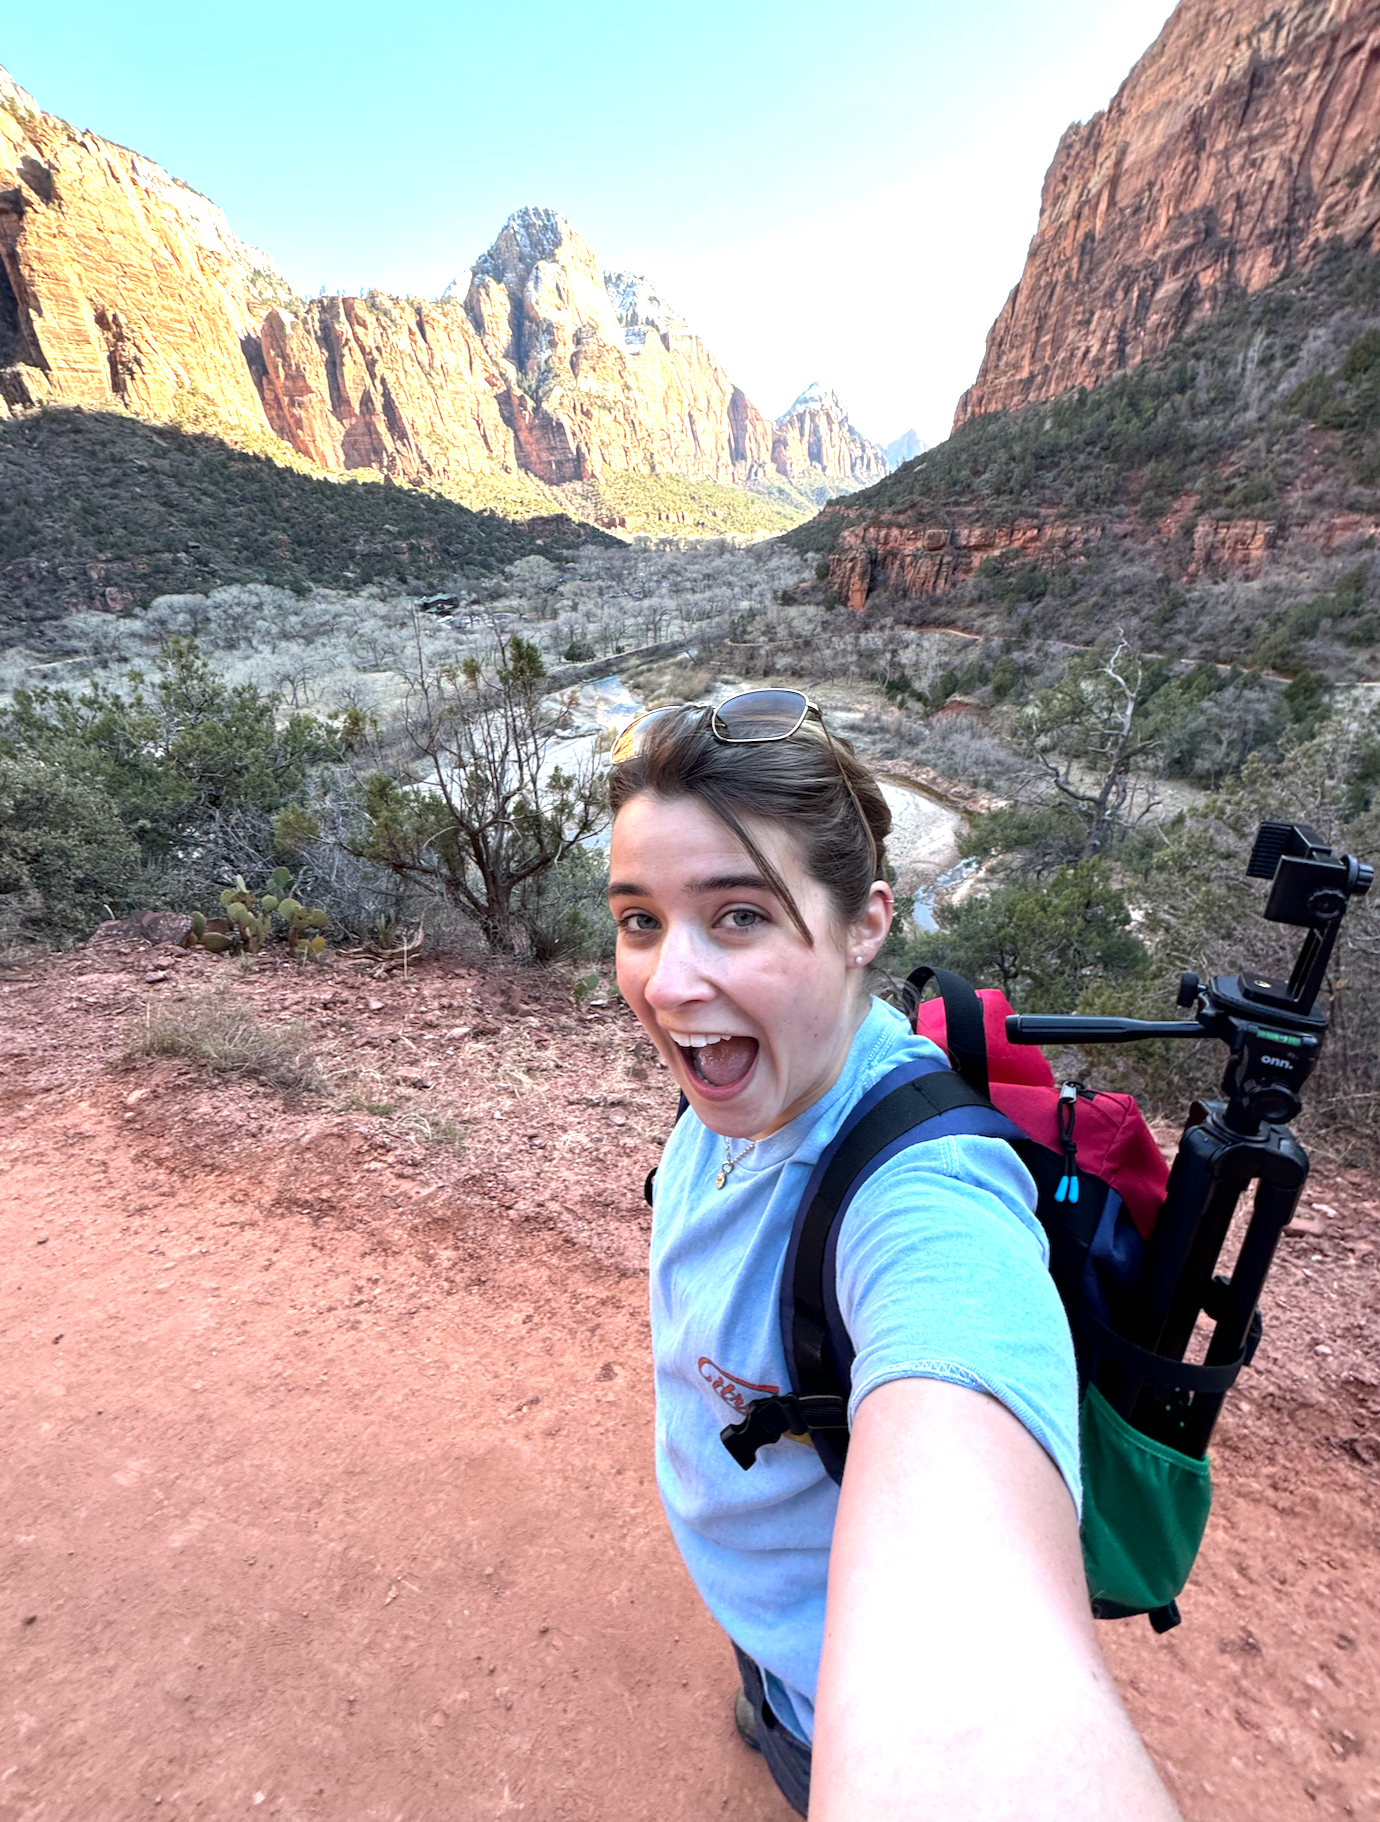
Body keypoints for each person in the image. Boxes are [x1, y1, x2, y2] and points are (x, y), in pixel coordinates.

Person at [605, 691, 1180, 1820]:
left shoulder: (931, 1205)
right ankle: (761, 1683)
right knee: (764, 1683)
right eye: (639, 920)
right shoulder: (751, 1073)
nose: (668, 983)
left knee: (800, 1745)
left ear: (867, 921)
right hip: (769, 1607)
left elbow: (971, 1642)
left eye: (739, 917)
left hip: (841, 1696)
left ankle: (786, 1726)